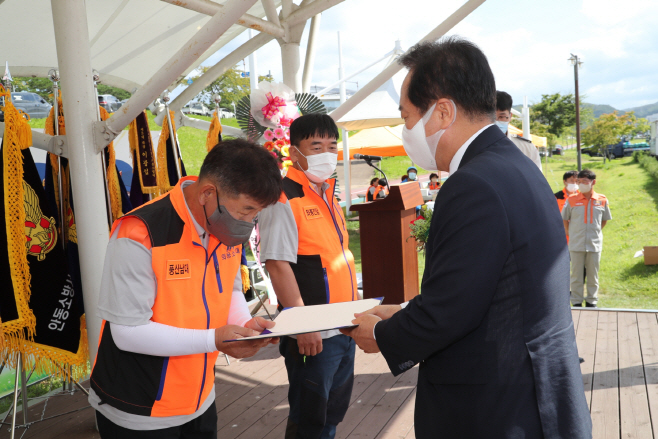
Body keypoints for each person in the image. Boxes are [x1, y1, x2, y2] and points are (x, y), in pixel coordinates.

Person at [341, 37, 591, 438]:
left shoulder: (472, 184)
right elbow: (488, 287)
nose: (407, 132)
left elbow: (449, 312)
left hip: (497, 408)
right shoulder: (517, 165)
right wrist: (405, 311)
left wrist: (383, 335)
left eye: (407, 118)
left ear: (442, 112)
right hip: (534, 391)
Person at [89, 139, 282, 438]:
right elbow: (127, 332)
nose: (249, 222)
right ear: (208, 193)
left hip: (201, 398)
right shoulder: (140, 231)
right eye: (246, 210)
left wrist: (243, 323)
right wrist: (215, 339)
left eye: (256, 213)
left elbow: (229, 285)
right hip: (140, 409)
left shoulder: (222, 224)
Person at [258, 114, 358, 439]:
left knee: (332, 414)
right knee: (309, 421)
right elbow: (276, 264)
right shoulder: (283, 198)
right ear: (294, 152)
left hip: (344, 327)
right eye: (316, 146)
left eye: (332, 146)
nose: (326, 153)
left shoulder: (328, 193)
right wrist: (304, 324)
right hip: (313, 334)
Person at [562, 169, 612, 308]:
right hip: (576, 244)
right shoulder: (571, 200)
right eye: (579, 182)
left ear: (593, 182)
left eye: (585, 181)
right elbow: (565, 218)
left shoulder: (602, 200)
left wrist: (594, 232)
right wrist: (569, 232)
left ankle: (592, 301)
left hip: (594, 244)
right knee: (576, 276)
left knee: (593, 276)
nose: (581, 184)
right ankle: (576, 302)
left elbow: (604, 220)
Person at [495, 91, 542, 170]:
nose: (496, 121)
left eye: (502, 116)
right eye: (491, 117)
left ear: (510, 116)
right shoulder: (475, 147)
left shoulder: (527, 148)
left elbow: (537, 180)